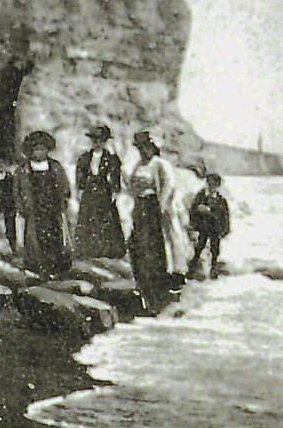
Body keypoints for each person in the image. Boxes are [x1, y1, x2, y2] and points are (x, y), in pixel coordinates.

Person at [14, 130, 73, 275]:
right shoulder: (24, 169)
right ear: (30, 151)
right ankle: (35, 266)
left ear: (48, 150)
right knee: (34, 237)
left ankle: (54, 266)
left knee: (54, 235)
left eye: (42, 149)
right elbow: (17, 190)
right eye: (36, 149)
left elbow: (64, 185)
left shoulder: (55, 166)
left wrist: (63, 200)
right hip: (33, 208)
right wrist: (21, 206)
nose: (39, 153)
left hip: (52, 207)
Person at [125, 132, 175, 301]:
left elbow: (168, 185)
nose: (143, 151)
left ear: (153, 148)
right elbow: (131, 183)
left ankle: (157, 289)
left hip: (154, 207)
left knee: (152, 247)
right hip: (140, 206)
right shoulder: (139, 164)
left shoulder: (160, 164)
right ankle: (142, 286)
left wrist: (160, 204)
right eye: (140, 148)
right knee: (136, 245)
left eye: (146, 147)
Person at [74, 125, 126, 259]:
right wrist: (80, 188)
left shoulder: (111, 158)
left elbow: (115, 175)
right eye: (95, 140)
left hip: (104, 189)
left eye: (101, 141)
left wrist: (115, 190)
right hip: (89, 189)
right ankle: (87, 249)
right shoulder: (85, 157)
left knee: (106, 218)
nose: (97, 143)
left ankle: (107, 249)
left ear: (105, 142)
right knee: (88, 216)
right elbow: (80, 173)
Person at [187, 173, 230, 278]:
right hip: (203, 227)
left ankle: (213, 271)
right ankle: (192, 270)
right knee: (199, 248)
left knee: (215, 250)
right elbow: (192, 210)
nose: (211, 187)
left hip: (215, 228)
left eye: (214, 184)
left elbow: (225, 215)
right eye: (210, 184)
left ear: (218, 185)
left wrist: (225, 229)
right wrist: (197, 215)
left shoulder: (221, 200)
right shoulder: (201, 196)